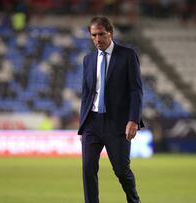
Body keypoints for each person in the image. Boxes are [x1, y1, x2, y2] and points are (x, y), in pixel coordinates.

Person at [78, 16, 144, 203]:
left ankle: (134, 200)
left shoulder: (128, 55)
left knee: (121, 170)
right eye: (93, 35)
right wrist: (83, 125)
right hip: (92, 122)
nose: (97, 39)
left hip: (118, 123)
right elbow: (86, 93)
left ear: (110, 33)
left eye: (101, 34)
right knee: (88, 168)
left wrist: (133, 120)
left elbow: (136, 90)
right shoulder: (88, 60)